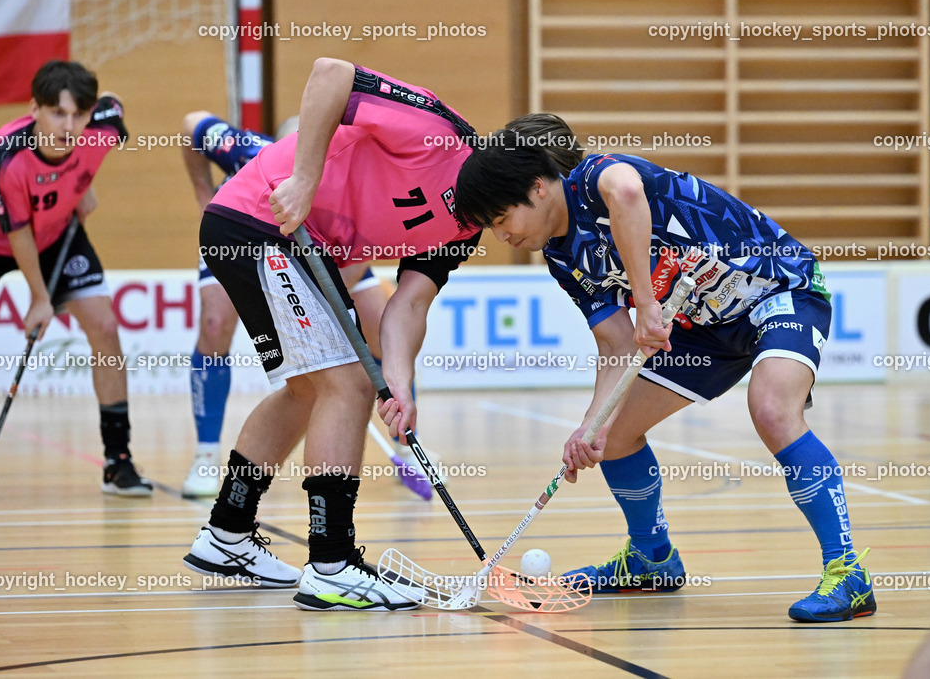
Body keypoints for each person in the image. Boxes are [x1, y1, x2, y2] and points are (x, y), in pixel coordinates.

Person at [452, 123, 876, 623]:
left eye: (503, 218)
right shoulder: (563, 260)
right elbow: (614, 343)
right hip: (702, 328)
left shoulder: (593, 179)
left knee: (770, 408)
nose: (502, 235)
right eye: (492, 227)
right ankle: (651, 560)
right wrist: (590, 428)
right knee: (614, 434)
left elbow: (629, 192)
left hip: (776, 290)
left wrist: (647, 302)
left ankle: (847, 575)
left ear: (539, 188)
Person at [182, 58, 481, 611]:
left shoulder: (469, 227)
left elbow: (408, 304)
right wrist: (303, 178)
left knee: (312, 389)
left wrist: (401, 384)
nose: (511, 236)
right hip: (261, 221)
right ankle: (332, 565)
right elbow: (329, 72)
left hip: (300, 246)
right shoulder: (437, 133)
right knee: (346, 386)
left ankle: (226, 532)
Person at [179, 112, 439, 498]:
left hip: (328, 251)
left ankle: (406, 444)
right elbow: (191, 124)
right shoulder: (248, 152)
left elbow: (352, 268)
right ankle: (205, 454)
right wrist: (203, 192)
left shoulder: (351, 182)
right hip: (243, 231)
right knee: (216, 322)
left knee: (380, 325)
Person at [0, 60, 152, 496]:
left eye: (79, 114)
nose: (69, 126)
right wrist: (40, 299)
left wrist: (81, 185)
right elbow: (17, 232)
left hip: (58, 235)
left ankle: (117, 462)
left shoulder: (104, 126)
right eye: (58, 112)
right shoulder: (4, 156)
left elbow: (114, 104)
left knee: (105, 328)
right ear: (34, 108)